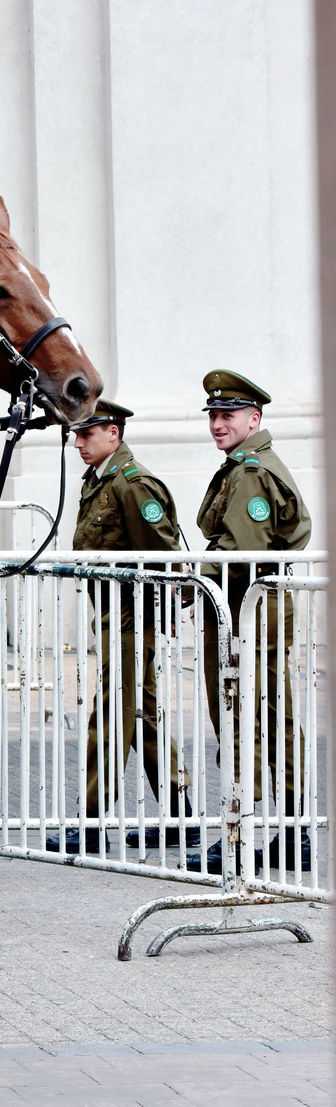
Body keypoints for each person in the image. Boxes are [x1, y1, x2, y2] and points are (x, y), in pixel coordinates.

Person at [48, 399, 190, 855]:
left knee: (110, 715)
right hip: (114, 615)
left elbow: (162, 554)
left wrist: (169, 608)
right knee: (142, 717)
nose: (77, 443)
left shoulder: (131, 483)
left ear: (113, 432)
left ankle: (91, 821)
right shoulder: (102, 479)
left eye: (86, 434)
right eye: (75, 434)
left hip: (131, 618)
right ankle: (181, 817)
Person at [190, 370, 312, 874]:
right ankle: (295, 831)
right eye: (213, 416)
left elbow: (242, 552)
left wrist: (194, 581)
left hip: (245, 610)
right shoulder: (251, 465)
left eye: (228, 415)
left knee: (241, 717)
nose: (217, 424)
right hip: (259, 608)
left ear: (253, 419)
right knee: (273, 716)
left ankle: (240, 834)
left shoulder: (250, 473)